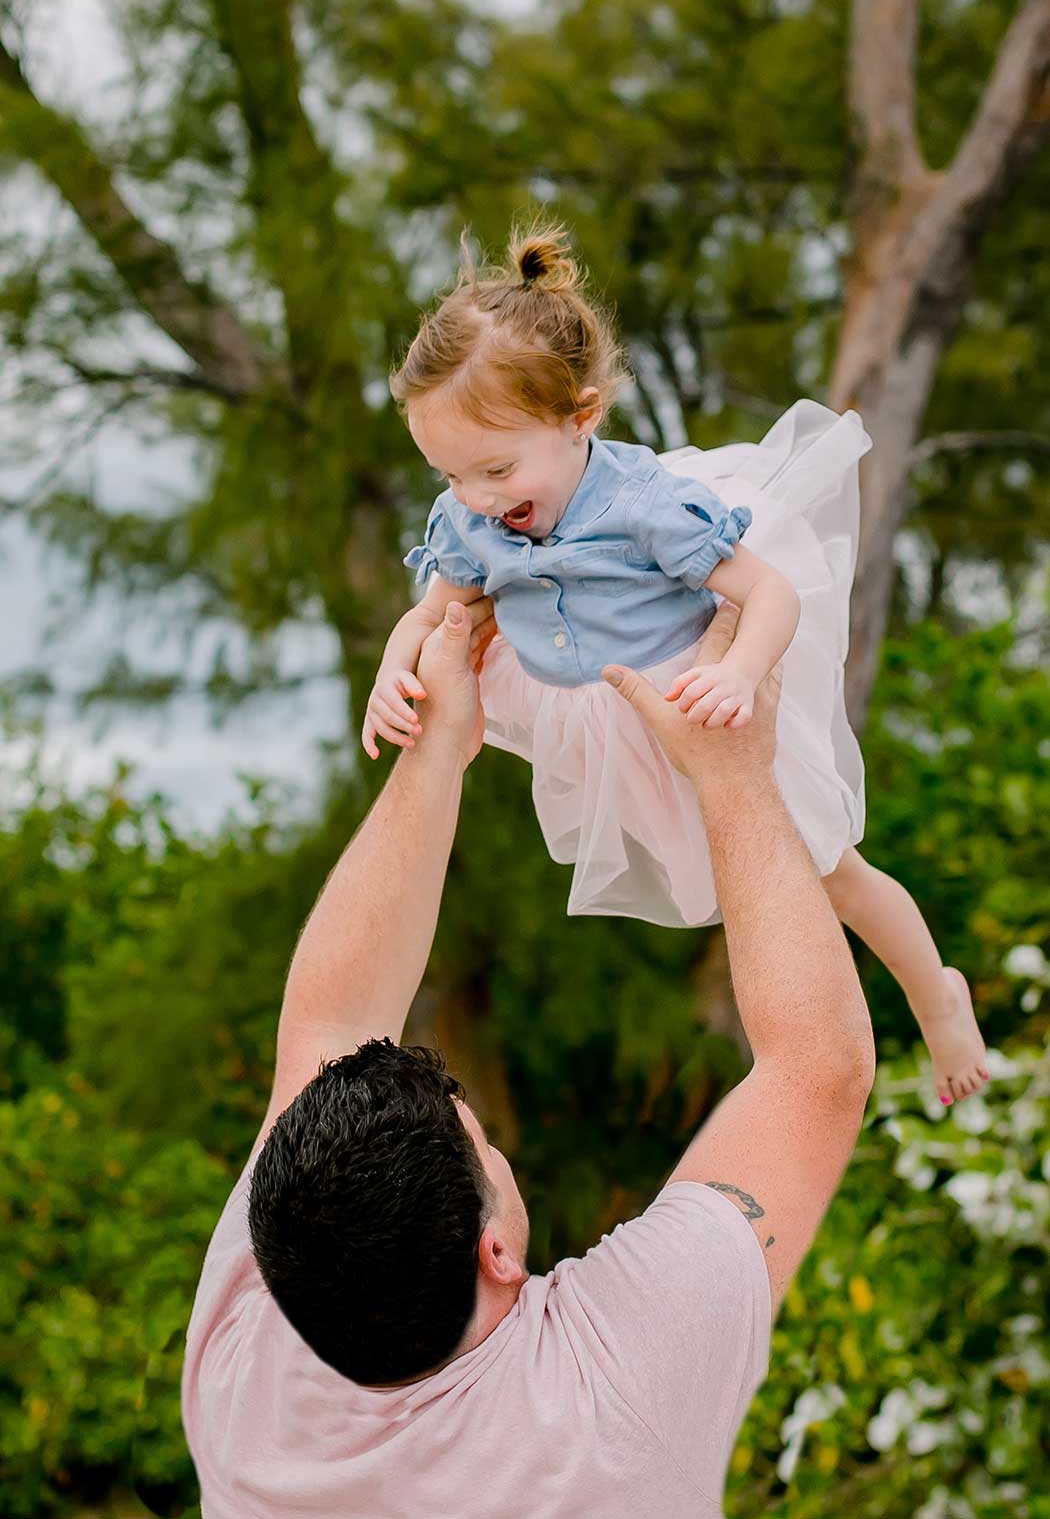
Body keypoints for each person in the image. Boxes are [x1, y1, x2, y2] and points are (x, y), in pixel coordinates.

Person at [183, 596, 875, 1517]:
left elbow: (330, 1022)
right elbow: (817, 1071)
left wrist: (437, 748)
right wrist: (735, 775)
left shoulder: (248, 1369)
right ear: (496, 1249)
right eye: (483, 1145)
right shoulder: (609, 1393)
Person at [365, 219, 988, 1106]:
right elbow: (431, 612)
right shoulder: (472, 513)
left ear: (580, 417)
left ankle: (939, 996)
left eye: (496, 468)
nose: (475, 498)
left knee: (827, 867)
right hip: (606, 717)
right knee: (746, 898)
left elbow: (773, 594)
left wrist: (737, 677)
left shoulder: (643, 508)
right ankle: (788, 1055)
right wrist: (398, 668)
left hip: (700, 698)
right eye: (451, 475)